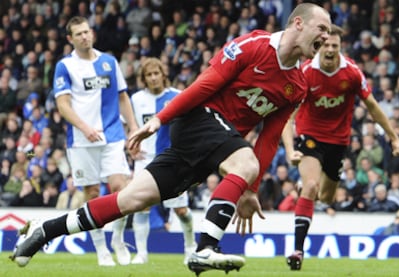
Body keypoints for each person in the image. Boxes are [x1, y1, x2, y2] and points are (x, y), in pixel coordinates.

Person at [11, 3, 332, 275]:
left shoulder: (297, 86)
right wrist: (159, 120)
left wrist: (251, 188)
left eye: (329, 31)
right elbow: (203, 86)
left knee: (131, 200)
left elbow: (269, 138)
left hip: (218, 142)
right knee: (244, 159)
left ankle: (44, 231)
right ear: (298, 23)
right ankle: (206, 247)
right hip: (196, 119)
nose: (326, 37)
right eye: (322, 27)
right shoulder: (252, 45)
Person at [281, 25, 399, 271]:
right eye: (325, 45)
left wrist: (394, 138)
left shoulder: (351, 72)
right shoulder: (306, 71)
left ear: (341, 47)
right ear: (319, 46)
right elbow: (287, 115)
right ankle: (297, 250)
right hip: (310, 137)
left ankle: (306, 190)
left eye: (334, 46)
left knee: (326, 197)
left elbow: (372, 106)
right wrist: (288, 149)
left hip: (338, 142)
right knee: (310, 186)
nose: (329, 49)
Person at [50, 16, 139, 266]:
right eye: (78, 34)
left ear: (93, 34)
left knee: (120, 188)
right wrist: (85, 127)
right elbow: (62, 104)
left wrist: (133, 128)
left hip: (111, 134)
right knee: (91, 192)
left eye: (87, 32)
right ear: (70, 39)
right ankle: (101, 248)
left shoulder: (109, 62)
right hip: (81, 139)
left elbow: (123, 97)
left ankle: (118, 240)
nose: (84, 37)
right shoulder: (65, 66)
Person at [129, 57, 197, 265]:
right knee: (141, 206)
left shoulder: (177, 96)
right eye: (149, 75)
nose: (153, 78)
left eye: (156, 73)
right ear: (144, 78)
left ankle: (190, 247)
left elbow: (190, 126)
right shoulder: (137, 99)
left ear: (163, 74)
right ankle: (141, 254)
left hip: (172, 160)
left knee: (181, 210)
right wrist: (131, 145)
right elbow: (130, 126)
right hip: (145, 160)